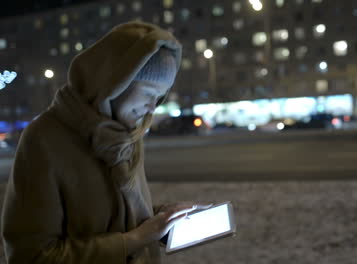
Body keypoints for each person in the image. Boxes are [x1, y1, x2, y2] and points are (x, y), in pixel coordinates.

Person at [1, 21, 209, 263]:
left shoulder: (126, 133)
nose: (153, 106)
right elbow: (31, 255)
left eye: (160, 96)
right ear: (115, 84)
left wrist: (160, 219)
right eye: (149, 93)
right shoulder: (44, 139)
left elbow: (111, 220)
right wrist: (134, 240)